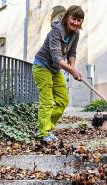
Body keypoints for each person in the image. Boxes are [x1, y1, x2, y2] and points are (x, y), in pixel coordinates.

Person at [32, 5, 84, 142]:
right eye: (74, 19)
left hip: (55, 69)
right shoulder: (55, 32)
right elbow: (57, 57)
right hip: (42, 66)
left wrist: (72, 67)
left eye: (79, 20)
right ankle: (42, 133)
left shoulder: (75, 33)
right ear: (67, 17)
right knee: (47, 101)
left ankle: (45, 128)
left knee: (63, 101)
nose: (76, 23)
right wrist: (72, 71)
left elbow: (72, 52)